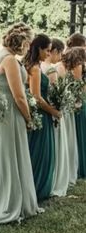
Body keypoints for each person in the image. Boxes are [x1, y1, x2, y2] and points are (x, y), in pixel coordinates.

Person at [0, 23, 41, 223]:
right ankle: (9, 203)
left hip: (6, 112)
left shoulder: (3, 54)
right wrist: (29, 118)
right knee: (9, 156)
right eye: (29, 42)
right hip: (10, 113)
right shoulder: (10, 59)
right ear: (22, 41)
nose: (29, 47)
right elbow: (19, 96)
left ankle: (14, 199)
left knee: (9, 155)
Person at [23, 33, 61, 200]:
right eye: (47, 50)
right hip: (40, 114)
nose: (48, 53)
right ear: (38, 48)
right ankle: (38, 189)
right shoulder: (35, 69)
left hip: (39, 113)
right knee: (40, 152)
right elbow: (36, 97)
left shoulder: (30, 64)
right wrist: (53, 111)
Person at [41, 38, 69, 197]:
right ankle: (57, 177)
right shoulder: (51, 70)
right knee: (57, 144)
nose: (60, 57)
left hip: (44, 110)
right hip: (52, 110)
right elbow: (54, 92)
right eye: (59, 53)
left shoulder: (38, 67)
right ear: (54, 51)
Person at [57, 46, 86, 183]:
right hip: (77, 101)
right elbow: (79, 85)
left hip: (71, 102)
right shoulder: (78, 66)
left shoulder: (65, 65)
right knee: (79, 132)